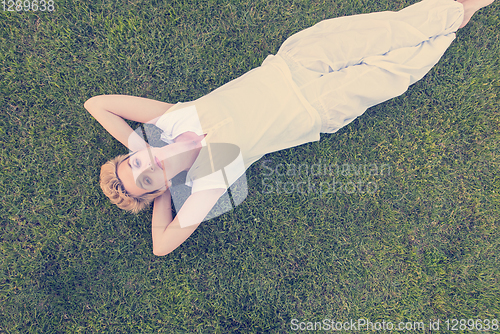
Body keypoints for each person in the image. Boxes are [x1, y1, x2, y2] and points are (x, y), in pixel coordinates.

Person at [84, 0, 495, 256]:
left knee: (391, 29)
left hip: (298, 62)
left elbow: (97, 104)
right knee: (405, 66)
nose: (146, 162)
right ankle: (462, 14)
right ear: (160, 189)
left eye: (133, 161)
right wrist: (162, 196)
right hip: (320, 108)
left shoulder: (171, 119)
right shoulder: (208, 180)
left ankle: (461, 7)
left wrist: (139, 146)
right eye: (147, 177)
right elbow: (161, 246)